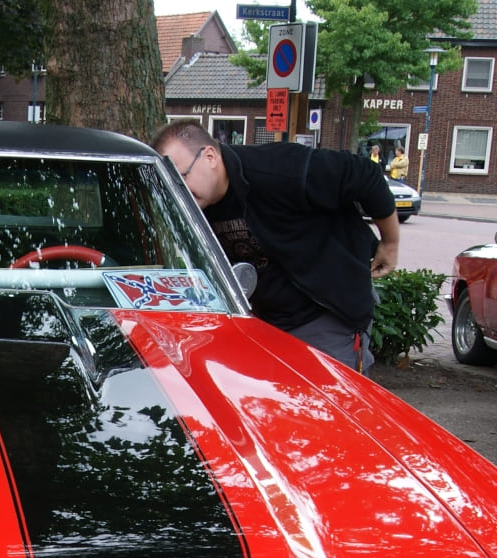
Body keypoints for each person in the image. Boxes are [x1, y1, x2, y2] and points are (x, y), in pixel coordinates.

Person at [151, 119, 400, 373]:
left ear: (210, 156)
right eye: (170, 185)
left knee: (331, 402)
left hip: (329, 313)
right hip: (267, 323)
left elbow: (365, 175)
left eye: (181, 178)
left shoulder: (279, 168)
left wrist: (390, 244)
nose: (178, 192)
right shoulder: (193, 204)